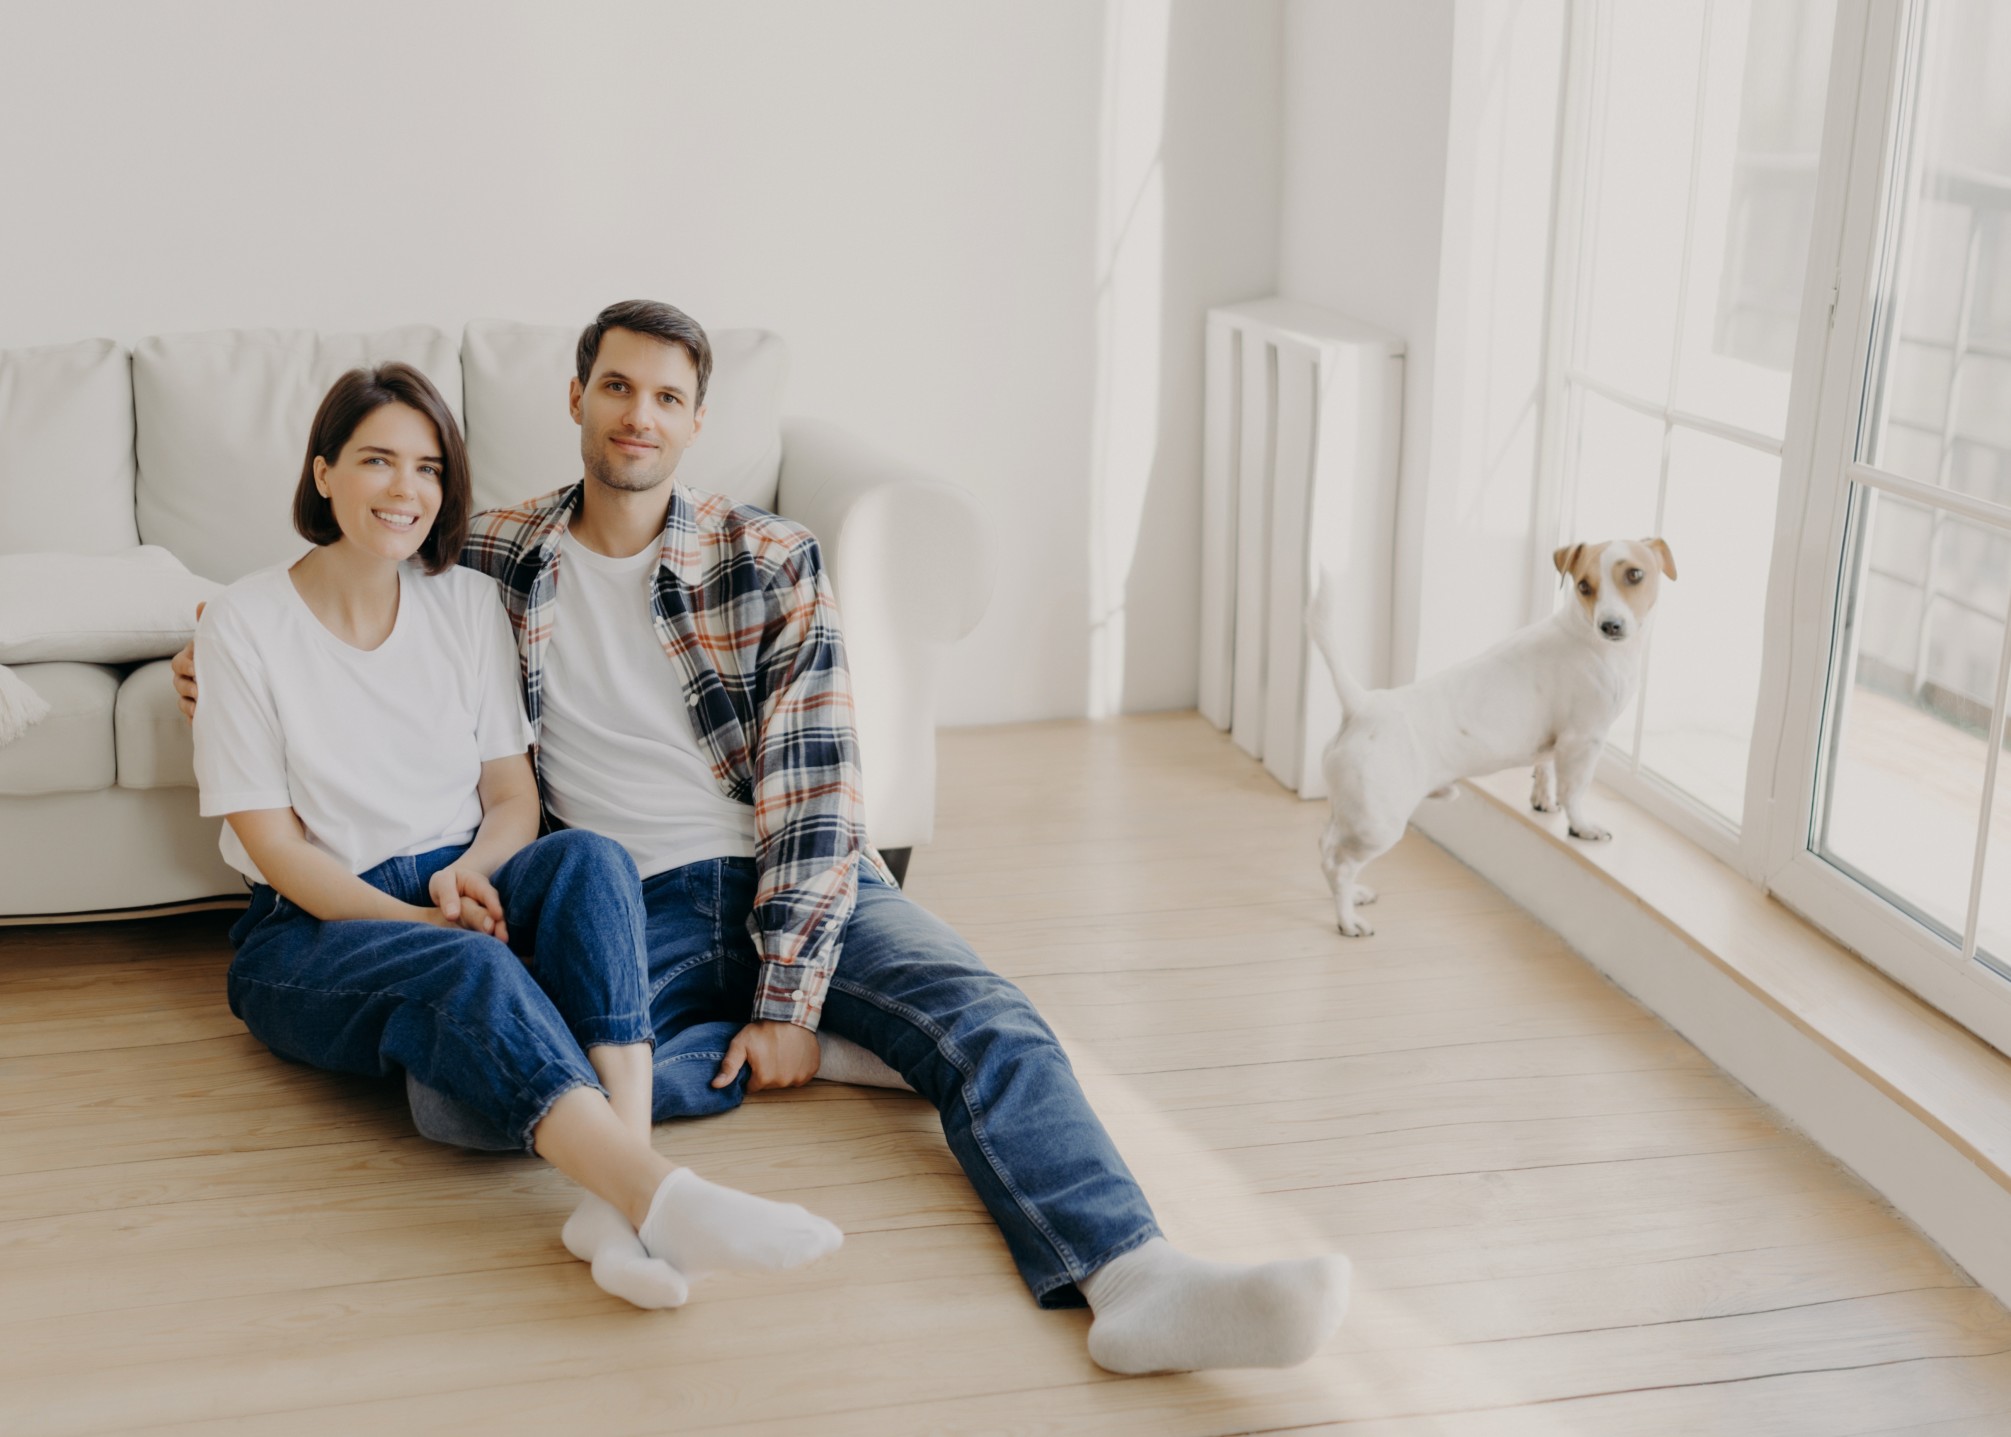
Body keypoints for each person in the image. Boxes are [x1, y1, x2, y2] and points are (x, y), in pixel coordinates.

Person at [180, 303, 1351, 1373]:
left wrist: (789, 992)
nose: (639, 415)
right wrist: (209, 653)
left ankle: (1136, 1276)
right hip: (628, 900)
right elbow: (351, 588)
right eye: (617, 387)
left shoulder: (769, 559)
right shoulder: (495, 555)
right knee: (461, 1097)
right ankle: (820, 1063)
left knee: (990, 1017)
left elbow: (818, 792)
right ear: (576, 397)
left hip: (785, 878)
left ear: (698, 422)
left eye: (668, 397)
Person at [190, 361, 841, 1313]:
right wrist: (426, 922)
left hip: (459, 877)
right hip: (308, 924)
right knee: (474, 969)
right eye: (376, 460)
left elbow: (510, 796)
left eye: (428, 468)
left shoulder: (464, 600)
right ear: (323, 472)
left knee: (592, 858)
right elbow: (279, 850)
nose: (405, 489)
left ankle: (616, 1202)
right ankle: (659, 1195)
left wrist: (469, 874)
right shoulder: (243, 623)